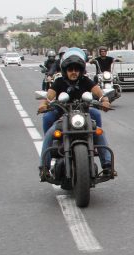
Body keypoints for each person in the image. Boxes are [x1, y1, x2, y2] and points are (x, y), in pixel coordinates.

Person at [36, 48, 113, 180]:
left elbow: (98, 92)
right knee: (49, 133)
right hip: (63, 115)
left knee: (99, 131)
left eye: (76, 69)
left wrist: (104, 100)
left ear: (80, 71)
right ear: (65, 71)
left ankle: (107, 165)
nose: (73, 72)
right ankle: (44, 168)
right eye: (70, 69)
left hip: (83, 116)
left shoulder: (85, 80)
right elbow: (49, 97)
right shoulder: (59, 82)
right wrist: (43, 104)